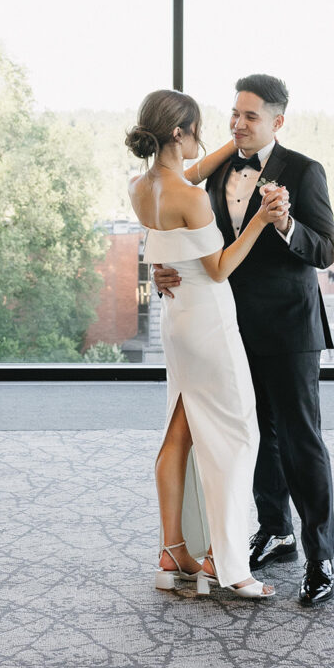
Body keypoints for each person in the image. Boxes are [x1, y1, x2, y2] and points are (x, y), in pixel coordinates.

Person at [153, 74, 334, 605]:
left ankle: (321, 555)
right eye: (234, 113)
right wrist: (163, 268)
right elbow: (182, 230)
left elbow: (325, 250)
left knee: (301, 442)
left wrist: (285, 225)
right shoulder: (213, 173)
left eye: (250, 116)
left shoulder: (304, 171)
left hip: (289, 328)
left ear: (277, 121)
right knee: (248, 437)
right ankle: (275, 528)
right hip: (227, 328)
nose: (237, 123)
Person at [126, 88, 289, 599]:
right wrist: (262, 220)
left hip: (175, 323)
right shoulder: (193, 198)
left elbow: (186, 177)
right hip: (210, 325)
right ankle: (227, 562)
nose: (208, 135)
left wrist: (230, 146)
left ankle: (172, 551)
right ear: (179, 132)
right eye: (198, 127)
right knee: (239, 433)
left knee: (181, 432)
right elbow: (218, 269)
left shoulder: (140, 187)